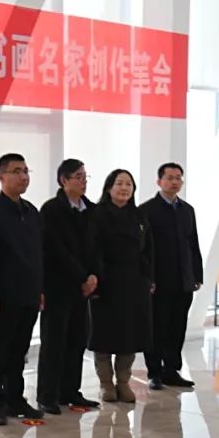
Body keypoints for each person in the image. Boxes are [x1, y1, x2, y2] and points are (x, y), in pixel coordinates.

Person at [0, 153, 45, 425]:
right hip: (2, 296)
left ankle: (16, 398)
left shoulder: (31, 212)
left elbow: (37, 254)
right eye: (16, 171)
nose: (23, 176)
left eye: (26, 171)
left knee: (19, 350)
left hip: (28, 293)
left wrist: (39, 289)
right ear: (1, 176)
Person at [36, 159, 101, 415]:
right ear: (64, 180)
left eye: (85, 176)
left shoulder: (91, 210)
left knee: (77, 340)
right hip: (58, 286)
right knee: (54, 342)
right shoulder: (51, 210)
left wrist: (93, 276)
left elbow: (96, 247)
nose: (83, 181)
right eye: (78, 176)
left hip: (83, 288)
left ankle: (70, 391)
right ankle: (47, 395)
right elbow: (56, 249)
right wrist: (82, 276)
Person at [88, 170, 155, 403]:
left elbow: (149, 250)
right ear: (109, 188)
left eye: (128, 184)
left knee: (130, 335)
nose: (124, 188)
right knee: (104, 335)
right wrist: (95, 280)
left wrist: (149, 278)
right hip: (105, 282)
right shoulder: (96, 214)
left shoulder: (139, 215)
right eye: (119, 183)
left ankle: (124, 382)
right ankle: (106, 384)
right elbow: (92, 249)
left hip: (135, 282)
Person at [138, 162, 203, 390]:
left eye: (178, 178)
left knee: (177, 326)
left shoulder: (187, 210)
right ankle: (154, 372)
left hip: (183, 279)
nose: (175, 182)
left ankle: (171, 370)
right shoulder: (146, 210)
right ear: (159, 181)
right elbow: (143, 249)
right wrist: (148, 278)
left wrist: (197, 274)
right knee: (157, 327)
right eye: (170, 178)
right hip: (158, 281)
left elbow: (193, 244)